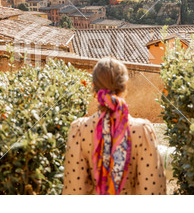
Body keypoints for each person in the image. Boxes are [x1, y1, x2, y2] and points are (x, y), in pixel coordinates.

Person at [63, 57, 166, 195]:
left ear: (94, 90)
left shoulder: (80, 131)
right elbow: (152, 192)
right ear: (125, 88)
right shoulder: (142, 131)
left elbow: (74, 191)